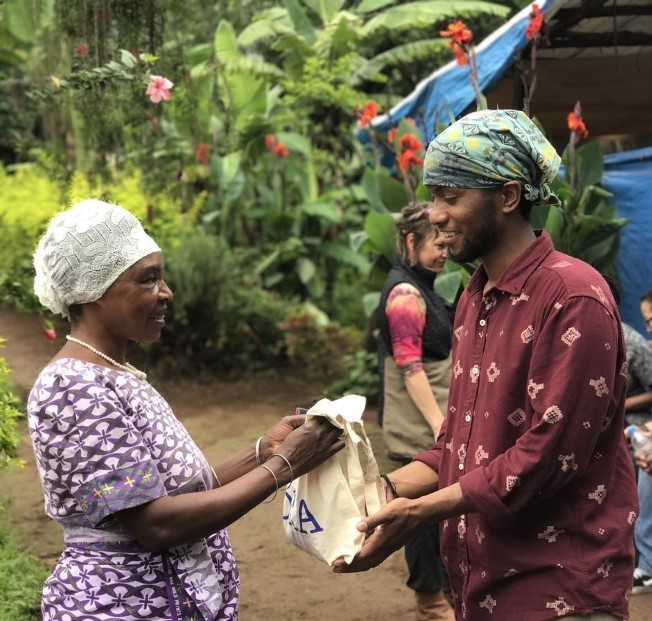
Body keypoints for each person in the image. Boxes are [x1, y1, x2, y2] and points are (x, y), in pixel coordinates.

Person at [334, 109, 638, 621]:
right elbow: (461, 439)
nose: (434, 214)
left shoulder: (572, 297)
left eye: (451, 197)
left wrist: (420, 513)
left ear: (508, 196)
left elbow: (546, 456)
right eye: (434, 197)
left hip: (559, 589)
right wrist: (384, 493)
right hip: (483, 585)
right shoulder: (475, 297)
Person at [27, 199, 344, 621]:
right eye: (148, 279)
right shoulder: (73, 387)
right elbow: (156, 524)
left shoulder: (114, 373)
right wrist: (285, 467)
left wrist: (263, 451)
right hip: (121, 608)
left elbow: (172, 491)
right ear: (93, 291)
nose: (166, 292)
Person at [376, 202, 454, 621]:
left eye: (447, 243)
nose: (445, 250)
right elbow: (410, 367)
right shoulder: (406, 293)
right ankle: (430, 600)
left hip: (429, 423)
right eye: (436, 243)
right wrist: (441, 423)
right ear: (411, 241)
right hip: (419, 427)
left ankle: (443, 587)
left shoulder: (423, 285)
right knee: (420, 518)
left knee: (438, 511)